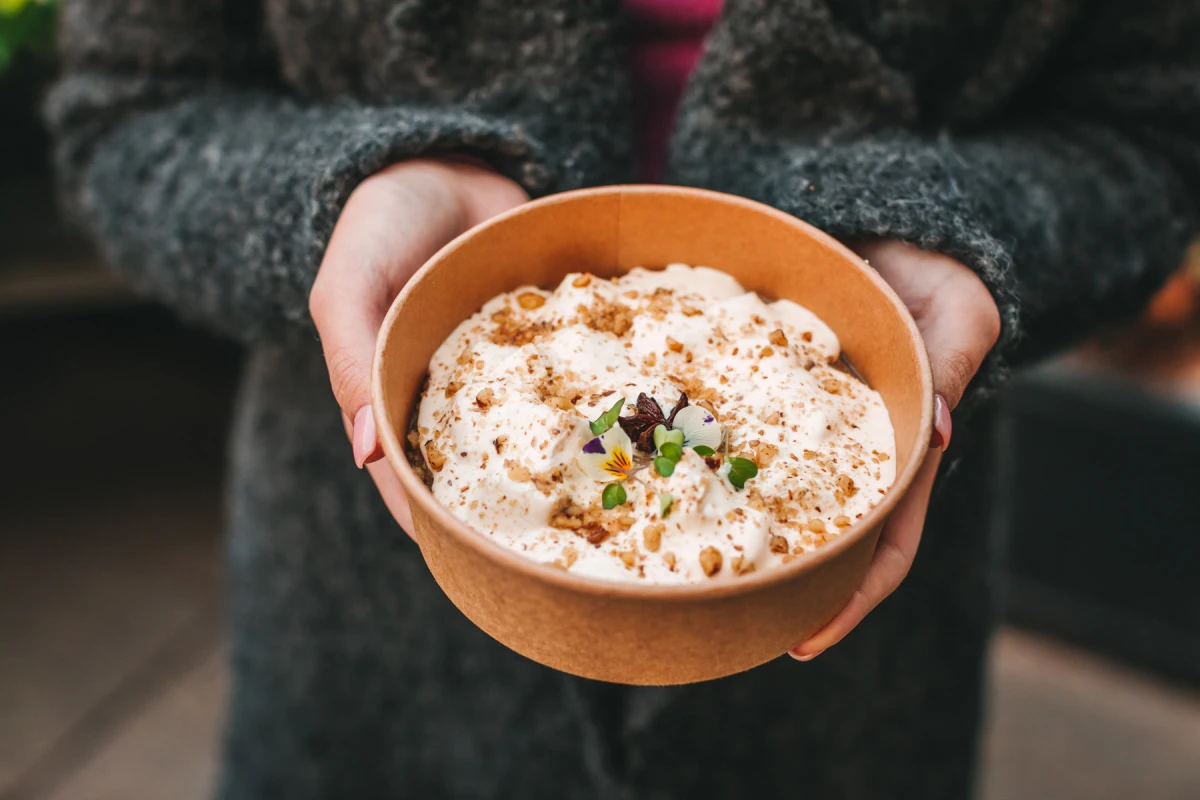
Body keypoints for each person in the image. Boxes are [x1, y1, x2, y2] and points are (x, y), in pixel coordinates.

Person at [46, 1, 1199, 797]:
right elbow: (131, 106)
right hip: (367, 639)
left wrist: (962, 235)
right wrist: (352, 194)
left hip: (846, 682)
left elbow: (1150, 137)